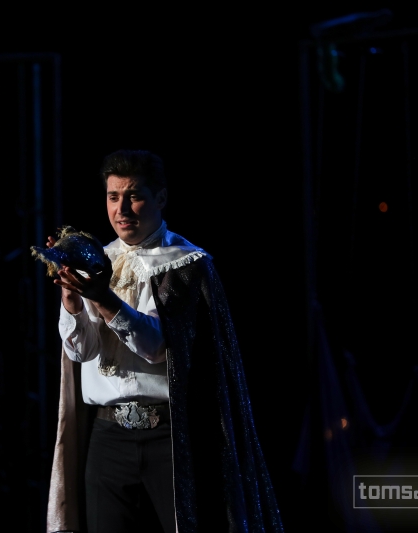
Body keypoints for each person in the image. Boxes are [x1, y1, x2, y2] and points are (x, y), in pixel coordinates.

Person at [44, 149, 283, 533]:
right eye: (113, 197)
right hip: (108, 438)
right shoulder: (97, 259)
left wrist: (104, 299)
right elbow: (81, 351)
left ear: (160, 198)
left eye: (134, 196)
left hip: (170, 438)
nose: (122, 209)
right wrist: (71, 301)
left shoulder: (185, 264)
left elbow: (157, 348)